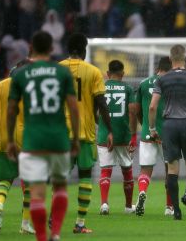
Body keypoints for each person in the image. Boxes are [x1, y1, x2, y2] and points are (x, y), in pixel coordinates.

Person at [7, 31, 80, 241]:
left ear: (31, 47)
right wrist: (75, 138)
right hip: (58, 139)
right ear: (51, 49)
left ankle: (41, 237)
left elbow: (12, 109)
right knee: (60, 186)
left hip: (33, 141)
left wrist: (10, 140)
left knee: (37, 193)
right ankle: (55, 233)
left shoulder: (20, 74)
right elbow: (73, 108)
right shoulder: (62, 72)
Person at [59, 33, 113, 233]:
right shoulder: (93, 72)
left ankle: (52, 219)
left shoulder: (57, 70)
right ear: (83, 49)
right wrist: (109, 129)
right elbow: (101, 102)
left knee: (60, 179)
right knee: (84, 178)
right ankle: (80, 223)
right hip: (85, 133)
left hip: (61, 133)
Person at [148, 45, 186, 220]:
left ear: (170, 58)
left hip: (170, 125)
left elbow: (152, 107)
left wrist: (152, 129)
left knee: (172, 169)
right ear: (185, 58)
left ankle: (176, 211)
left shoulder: (163, 79)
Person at [0, 59, 35, 235]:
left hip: (5, 138)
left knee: (4, 181)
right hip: (26, 139)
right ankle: (25, 224)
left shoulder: (0, 86)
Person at [134, 57, 174, 217]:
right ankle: (169, 207)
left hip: (147, 133)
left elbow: (137, 109)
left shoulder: (144, 83)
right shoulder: (172, 84)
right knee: (170, 170)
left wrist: (145, 126)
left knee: (145, 169)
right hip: (168, 133)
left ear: (158, 67)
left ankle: (142, 192)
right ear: (170, 68)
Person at [97, 60, 137, 215]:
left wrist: (102, 126)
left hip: (104, 134)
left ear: (107, 73)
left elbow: (96, 111)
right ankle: (128, 207)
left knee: (105, 170)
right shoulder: (127, 88)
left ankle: (104, 204)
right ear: (123, 73)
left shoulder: (101, 87)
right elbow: (132, 111)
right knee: (127, 170)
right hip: (123, 134)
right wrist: (133, 135)